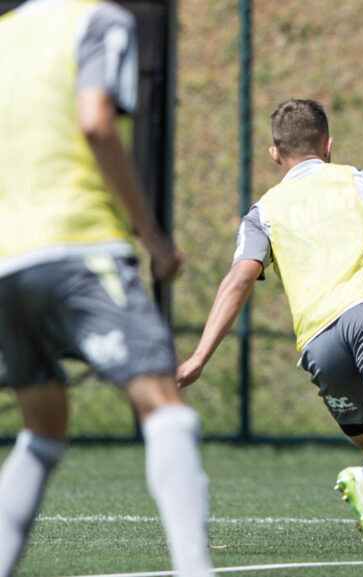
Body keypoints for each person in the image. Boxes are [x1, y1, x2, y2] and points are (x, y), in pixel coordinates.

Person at [176, 99, 363, 558]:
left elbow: (239, 279)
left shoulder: (263, 211)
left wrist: (197, 358)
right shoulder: (359, 181)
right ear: (328, 145)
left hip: (319, 341)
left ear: (275, 155)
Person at [0, 1, 213, 575]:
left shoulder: (6, 35)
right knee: (165, 407)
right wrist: (153, 238)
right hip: (78, 245)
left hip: (6, 262)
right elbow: (96, 121)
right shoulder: (99, 20)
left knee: (42, 429)